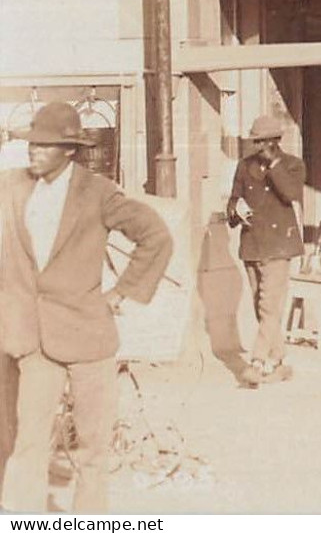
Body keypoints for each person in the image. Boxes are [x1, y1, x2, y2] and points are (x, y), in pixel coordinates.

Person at [0, 102, 173, 513]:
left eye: (46, 145)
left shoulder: (97, 193)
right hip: (32, 338)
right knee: (28, 440)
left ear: (70, 150)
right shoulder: (11, 187)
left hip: (88, 336)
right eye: (32, 143)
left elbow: (156, 236)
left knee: (93, 446)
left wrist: (121, 293)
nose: (34, 151)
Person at [227, 114, 307, 386]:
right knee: (260, 304)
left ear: (276, 142)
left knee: (269, 305)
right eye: (256, 141)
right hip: (252, 244)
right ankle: (280, 361)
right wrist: (236, 212)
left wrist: (274, 164)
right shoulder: (244, 166)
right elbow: (233, 200)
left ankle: (257, 362)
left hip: (278, 245)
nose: (258, 147)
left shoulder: (293, 165)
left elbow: (290, 194)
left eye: (263, 142)